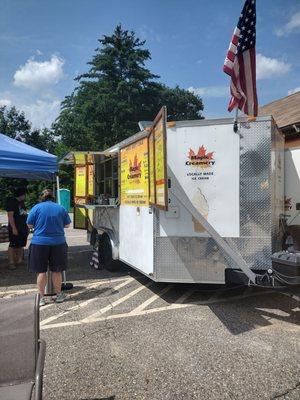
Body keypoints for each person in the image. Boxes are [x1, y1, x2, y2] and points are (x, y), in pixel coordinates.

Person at [27, 189, 71, 306]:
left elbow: (29, 224)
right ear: (53, 197)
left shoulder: (36, 208)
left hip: (39, 243)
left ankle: (41, 298)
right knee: (57, 270)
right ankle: (58, 295)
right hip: (58, 242)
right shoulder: (60, 208)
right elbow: (67, 224)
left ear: (42, 197)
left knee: (41, 271)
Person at [6, 187, 29, 270]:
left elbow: (24, 214)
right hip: (15, 227)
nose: (25, 196)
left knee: (21, 244)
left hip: (23, 227)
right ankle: (11, 262)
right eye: (25, 195)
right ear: (21, 194)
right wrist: (14, 228)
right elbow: (10, 216)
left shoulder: (21, 203)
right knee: (13, 244)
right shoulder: (11, 202)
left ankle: (19, 260)